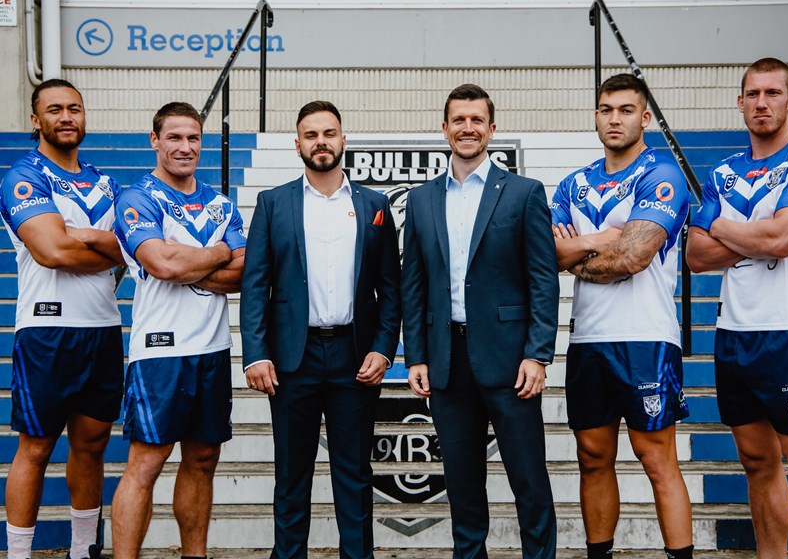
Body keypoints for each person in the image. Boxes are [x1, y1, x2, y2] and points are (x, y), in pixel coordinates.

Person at [685, 58, 788, 558]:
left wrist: (723, 225)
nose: (762, 103)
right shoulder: (724, 173)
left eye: (773, 93)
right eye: (753, 94)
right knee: (756, 461)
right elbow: (695, 256)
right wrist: (762, 235)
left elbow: (784, 239)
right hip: (734, 331)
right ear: (740, 102)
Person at [401, 84, 559, 559]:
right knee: (463, 484)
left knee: (528, 479)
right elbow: (413, 284)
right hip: (448, 361)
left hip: (510, 360)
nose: (467, 128)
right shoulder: (423, 199)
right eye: (458, 120)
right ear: (444, 128)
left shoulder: (523, 193)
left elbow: (542, 280)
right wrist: (417, 356)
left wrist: (537, 353)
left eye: (476, 120)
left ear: (492, 128)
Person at [240, 100, 401, 559]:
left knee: (354, 474)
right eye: (311, 135)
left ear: (343, 140)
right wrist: (256, 352)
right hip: (293, 359)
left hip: (355, 358)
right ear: (297, 145)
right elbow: (255, 285)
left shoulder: (374, 205)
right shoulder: (273, 204)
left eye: (329, 133)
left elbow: (391, 288)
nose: (321, 143)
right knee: (292, 475)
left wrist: (384, 348)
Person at [551, 73, 693, 559]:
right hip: (588, 339)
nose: (615, 118)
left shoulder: (662, 173)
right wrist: (601, 239)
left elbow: (634, 258)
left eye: (626, 110)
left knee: (657, 460)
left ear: (645, 117)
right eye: (607, 109)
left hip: (645, 338)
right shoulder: (574, 183)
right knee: (592, 458)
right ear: (596, 115)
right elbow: (547, 256)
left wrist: (580, 254)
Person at [109, 102, 247, 559]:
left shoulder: (220, 203)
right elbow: (162, 263)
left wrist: (185, 263)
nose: (184, 147)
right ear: (155, 140)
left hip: (212, 349)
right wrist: (216, 254)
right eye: (174, 137)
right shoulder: (136, 198)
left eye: (193, 138)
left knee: (203, 460)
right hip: (159, 352)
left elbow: (246, 272)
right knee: (146, 463)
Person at [0, 79, 124, 559]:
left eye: (75, 108)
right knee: (35, 447)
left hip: (102, 328)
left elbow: (129, 251)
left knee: (91, 445)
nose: (67, 116)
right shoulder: (23, 176)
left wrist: (85, 238)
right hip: (46, 331)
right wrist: (104, 244)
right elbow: (51, 250)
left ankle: (81, 551)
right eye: (55, 109)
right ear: (36, 120)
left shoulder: (106, 183)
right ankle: (18, 554)